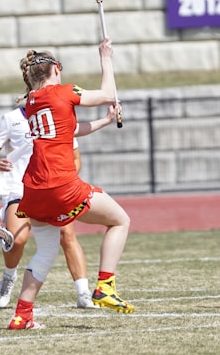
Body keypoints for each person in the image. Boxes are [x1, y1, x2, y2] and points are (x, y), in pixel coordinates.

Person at [7, 38, 133, 330]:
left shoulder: (30, 102)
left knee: (47, 250)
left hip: (35, 188)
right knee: (120, 221)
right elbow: (108, 92)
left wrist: (104, 121)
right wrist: (106, 57)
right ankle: (105, 286)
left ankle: (22, 315)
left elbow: (70, 129)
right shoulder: (66, 91)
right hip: (61, 183)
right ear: (56, 70)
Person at [0, 93, 116, 310]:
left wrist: (64, 180)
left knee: (67, 235)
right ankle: (9, 277)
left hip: (51, 188)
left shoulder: (58, 119)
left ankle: (83, 293)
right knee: (17, 240)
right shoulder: (11, 119)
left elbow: (75, 159)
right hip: (19, 187)